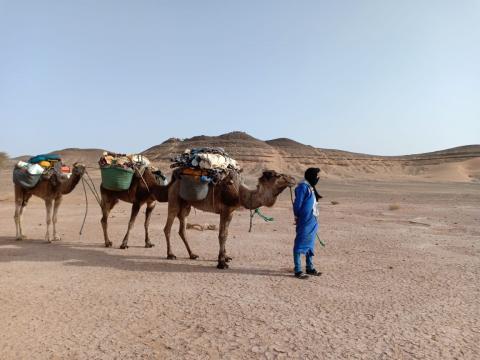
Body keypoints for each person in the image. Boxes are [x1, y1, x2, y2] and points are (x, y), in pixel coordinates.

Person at [293, 167, 322, 279]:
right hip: (305, 220)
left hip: (313, 220)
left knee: (310, 244)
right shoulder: (302, 187)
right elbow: (297, 204)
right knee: (299, 244)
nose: (317, 179)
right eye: (316, 176)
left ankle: (309, 267)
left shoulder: (310, 187)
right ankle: (298, 270)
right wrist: (297, 216)